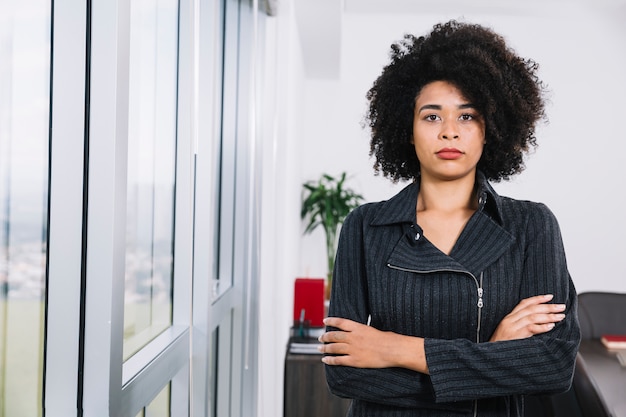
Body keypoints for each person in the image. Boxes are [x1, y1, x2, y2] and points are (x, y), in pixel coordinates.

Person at [318, 20, 581, 417]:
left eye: (467, 116)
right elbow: (345, 375)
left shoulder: (532, 226)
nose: (449, 133)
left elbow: (553, 366)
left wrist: (395, 348)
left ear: (489, 129)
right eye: (431, 116)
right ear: (407, 129)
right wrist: (493, 357)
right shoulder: (365, 227)